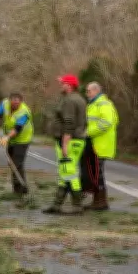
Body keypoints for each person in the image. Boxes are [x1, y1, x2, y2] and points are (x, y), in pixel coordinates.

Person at [43, 74, 87, 214]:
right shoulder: (78, 99)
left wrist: (65, 144)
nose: (61, 86)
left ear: (70, 85)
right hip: (76, 139)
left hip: (70, 140)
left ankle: (77, 205)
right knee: (65, 171)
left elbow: (69, 123)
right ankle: (57, 204)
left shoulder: (69, 100)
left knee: (69, 172)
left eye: (63, 83)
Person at [82, 82, 118, 211]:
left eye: (88, 91)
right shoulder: (93, 105)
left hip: (101, 145)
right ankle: (97, 201)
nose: (87, 94)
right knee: (95, 173)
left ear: (96, 91)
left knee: (98, 174)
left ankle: (101, 202)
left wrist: (88, 132)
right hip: (95, 144)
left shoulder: (103, 104)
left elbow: (106, 122)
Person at [0, 92, 34, 194]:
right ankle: (23, 187)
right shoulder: (5, 103)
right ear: (10, 101)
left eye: (17, 104)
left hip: (23, 139)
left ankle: (19, 190)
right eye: (13, 103)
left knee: (16, 163)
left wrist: (6, 137)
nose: (15, 105)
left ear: (21, 102)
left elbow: (17, 128)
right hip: (11, 139)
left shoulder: (24, 112)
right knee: (12, 163)